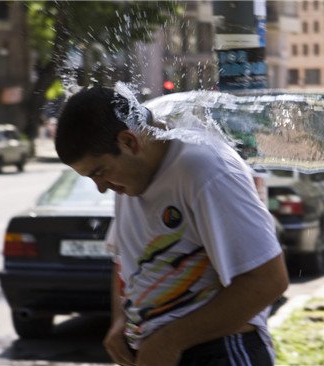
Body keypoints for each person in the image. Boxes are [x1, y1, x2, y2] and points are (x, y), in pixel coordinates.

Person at [54, 86, 288, 366]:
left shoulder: (205, 170)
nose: (101, 188)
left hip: (221, 351)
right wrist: (120, 322)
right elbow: (125, 260)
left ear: (129, 142)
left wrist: (169, 342)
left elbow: (268, 281)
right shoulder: (128, 180)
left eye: (100, 172)